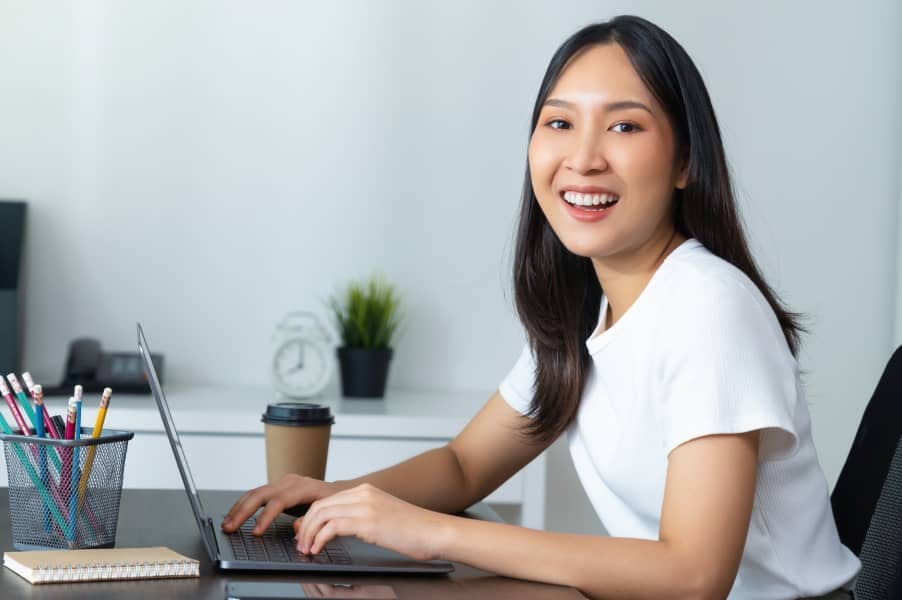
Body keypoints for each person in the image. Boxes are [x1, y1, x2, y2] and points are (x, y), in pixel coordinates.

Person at [223, 15, 860, 599]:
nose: (582, 158)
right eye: (559, 123)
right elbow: (465, 464)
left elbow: (694, 576)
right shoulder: (587, 309)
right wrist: (338, 499)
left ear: (685, 161)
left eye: (625, 126)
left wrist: (432, 533)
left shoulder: (708, 308)